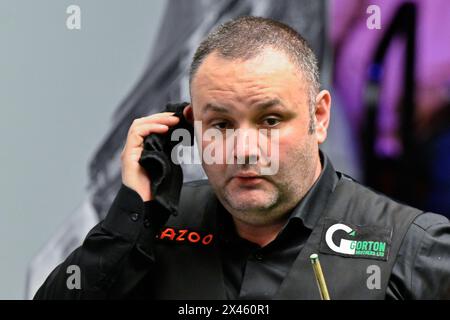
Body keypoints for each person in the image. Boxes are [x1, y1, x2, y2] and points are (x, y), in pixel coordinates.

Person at [35, 16, 450, 300]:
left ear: (318, 117)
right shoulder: (151, 232)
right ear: (191, 126)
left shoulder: (410, 246)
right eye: (221, 125)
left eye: (270, 120)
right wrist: (131, 218)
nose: (245, 148)